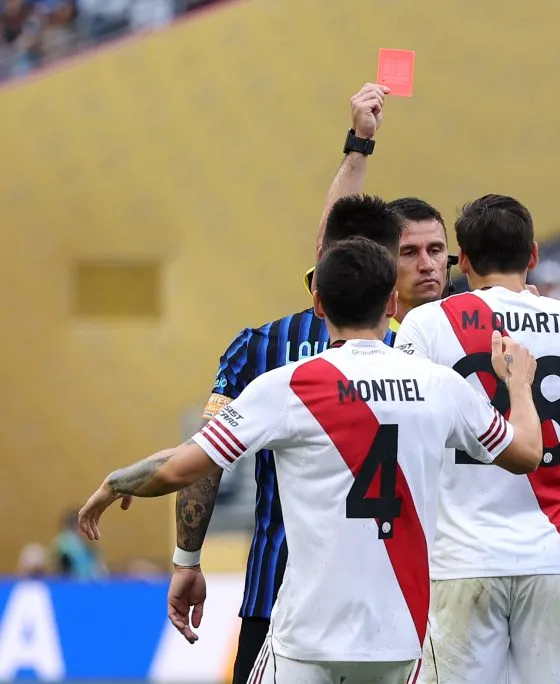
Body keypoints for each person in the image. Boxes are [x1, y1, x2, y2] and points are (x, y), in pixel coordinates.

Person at [79, 237, 544, 684]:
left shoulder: (288, 387)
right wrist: (518, 384)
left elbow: (182, 466)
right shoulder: (441, 385)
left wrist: (115, 484)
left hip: (308, 637)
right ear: (390, 303)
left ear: (319, 304)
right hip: (401, 638)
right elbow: (526, 454)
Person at [169, 85, 451, 684]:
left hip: (280, 605)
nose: (427, 265)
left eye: (436, 253)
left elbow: (200, 464)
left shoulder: (266, 348)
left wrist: (186, 557)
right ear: (385, 271)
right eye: (412, 253)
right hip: (399, 613)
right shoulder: (425, 355)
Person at [395, 194, 560, 684]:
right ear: (533, 255)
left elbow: (404, 419)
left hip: (461, 557)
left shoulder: (428, 324)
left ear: (461, 261)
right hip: (553, 554)